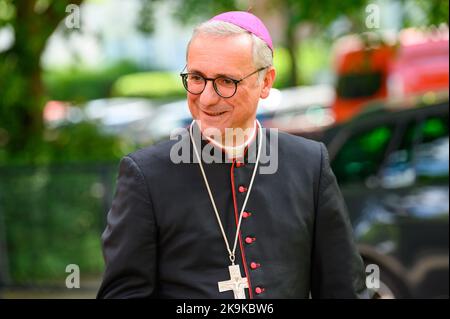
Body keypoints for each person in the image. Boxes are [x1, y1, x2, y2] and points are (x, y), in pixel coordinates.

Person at [97, 11, 367, 299]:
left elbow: (345, 290)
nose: (207, 98)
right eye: (197, 77)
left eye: (226, 81)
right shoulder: (146, 175)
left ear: (265, 82)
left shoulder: (309, 164)